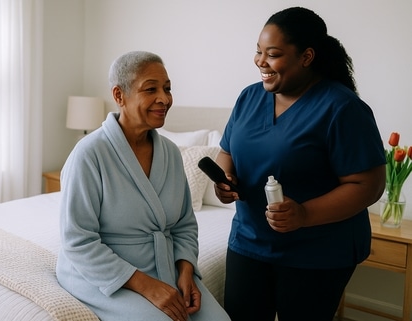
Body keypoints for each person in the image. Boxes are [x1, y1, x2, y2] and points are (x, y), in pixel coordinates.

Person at [214, 7, 386, 321]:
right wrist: (225, 176)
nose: (261, 62)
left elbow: (368, 185)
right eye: (258, 52)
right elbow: (227, 150)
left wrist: (304, 214)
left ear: (306, 57)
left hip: (317, 252)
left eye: (273, 54)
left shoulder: (342, 108)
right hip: (249, 242)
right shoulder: (248, 98)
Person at [56, 51, 230, 321]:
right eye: (151, 89)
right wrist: (147, 286)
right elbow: (78, 241)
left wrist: (185, 272)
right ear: (119, 95)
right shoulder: (90, 153)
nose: (164, 98)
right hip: (103, 273)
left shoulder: (171, 153)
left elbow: (184, 224)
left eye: (167, 88)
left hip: (165, 267)